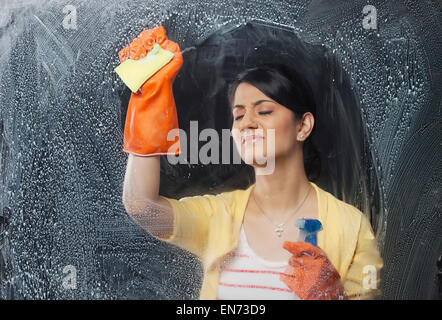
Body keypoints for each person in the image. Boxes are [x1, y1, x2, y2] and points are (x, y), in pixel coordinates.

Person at [121, 25, 383, 300]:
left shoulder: (351, 227)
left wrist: (334, 296)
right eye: (238, 116)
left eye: (264, 110)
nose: (247, 124)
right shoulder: (219, 217)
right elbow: (142, 208)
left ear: (303, 126)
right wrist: (149, 101)